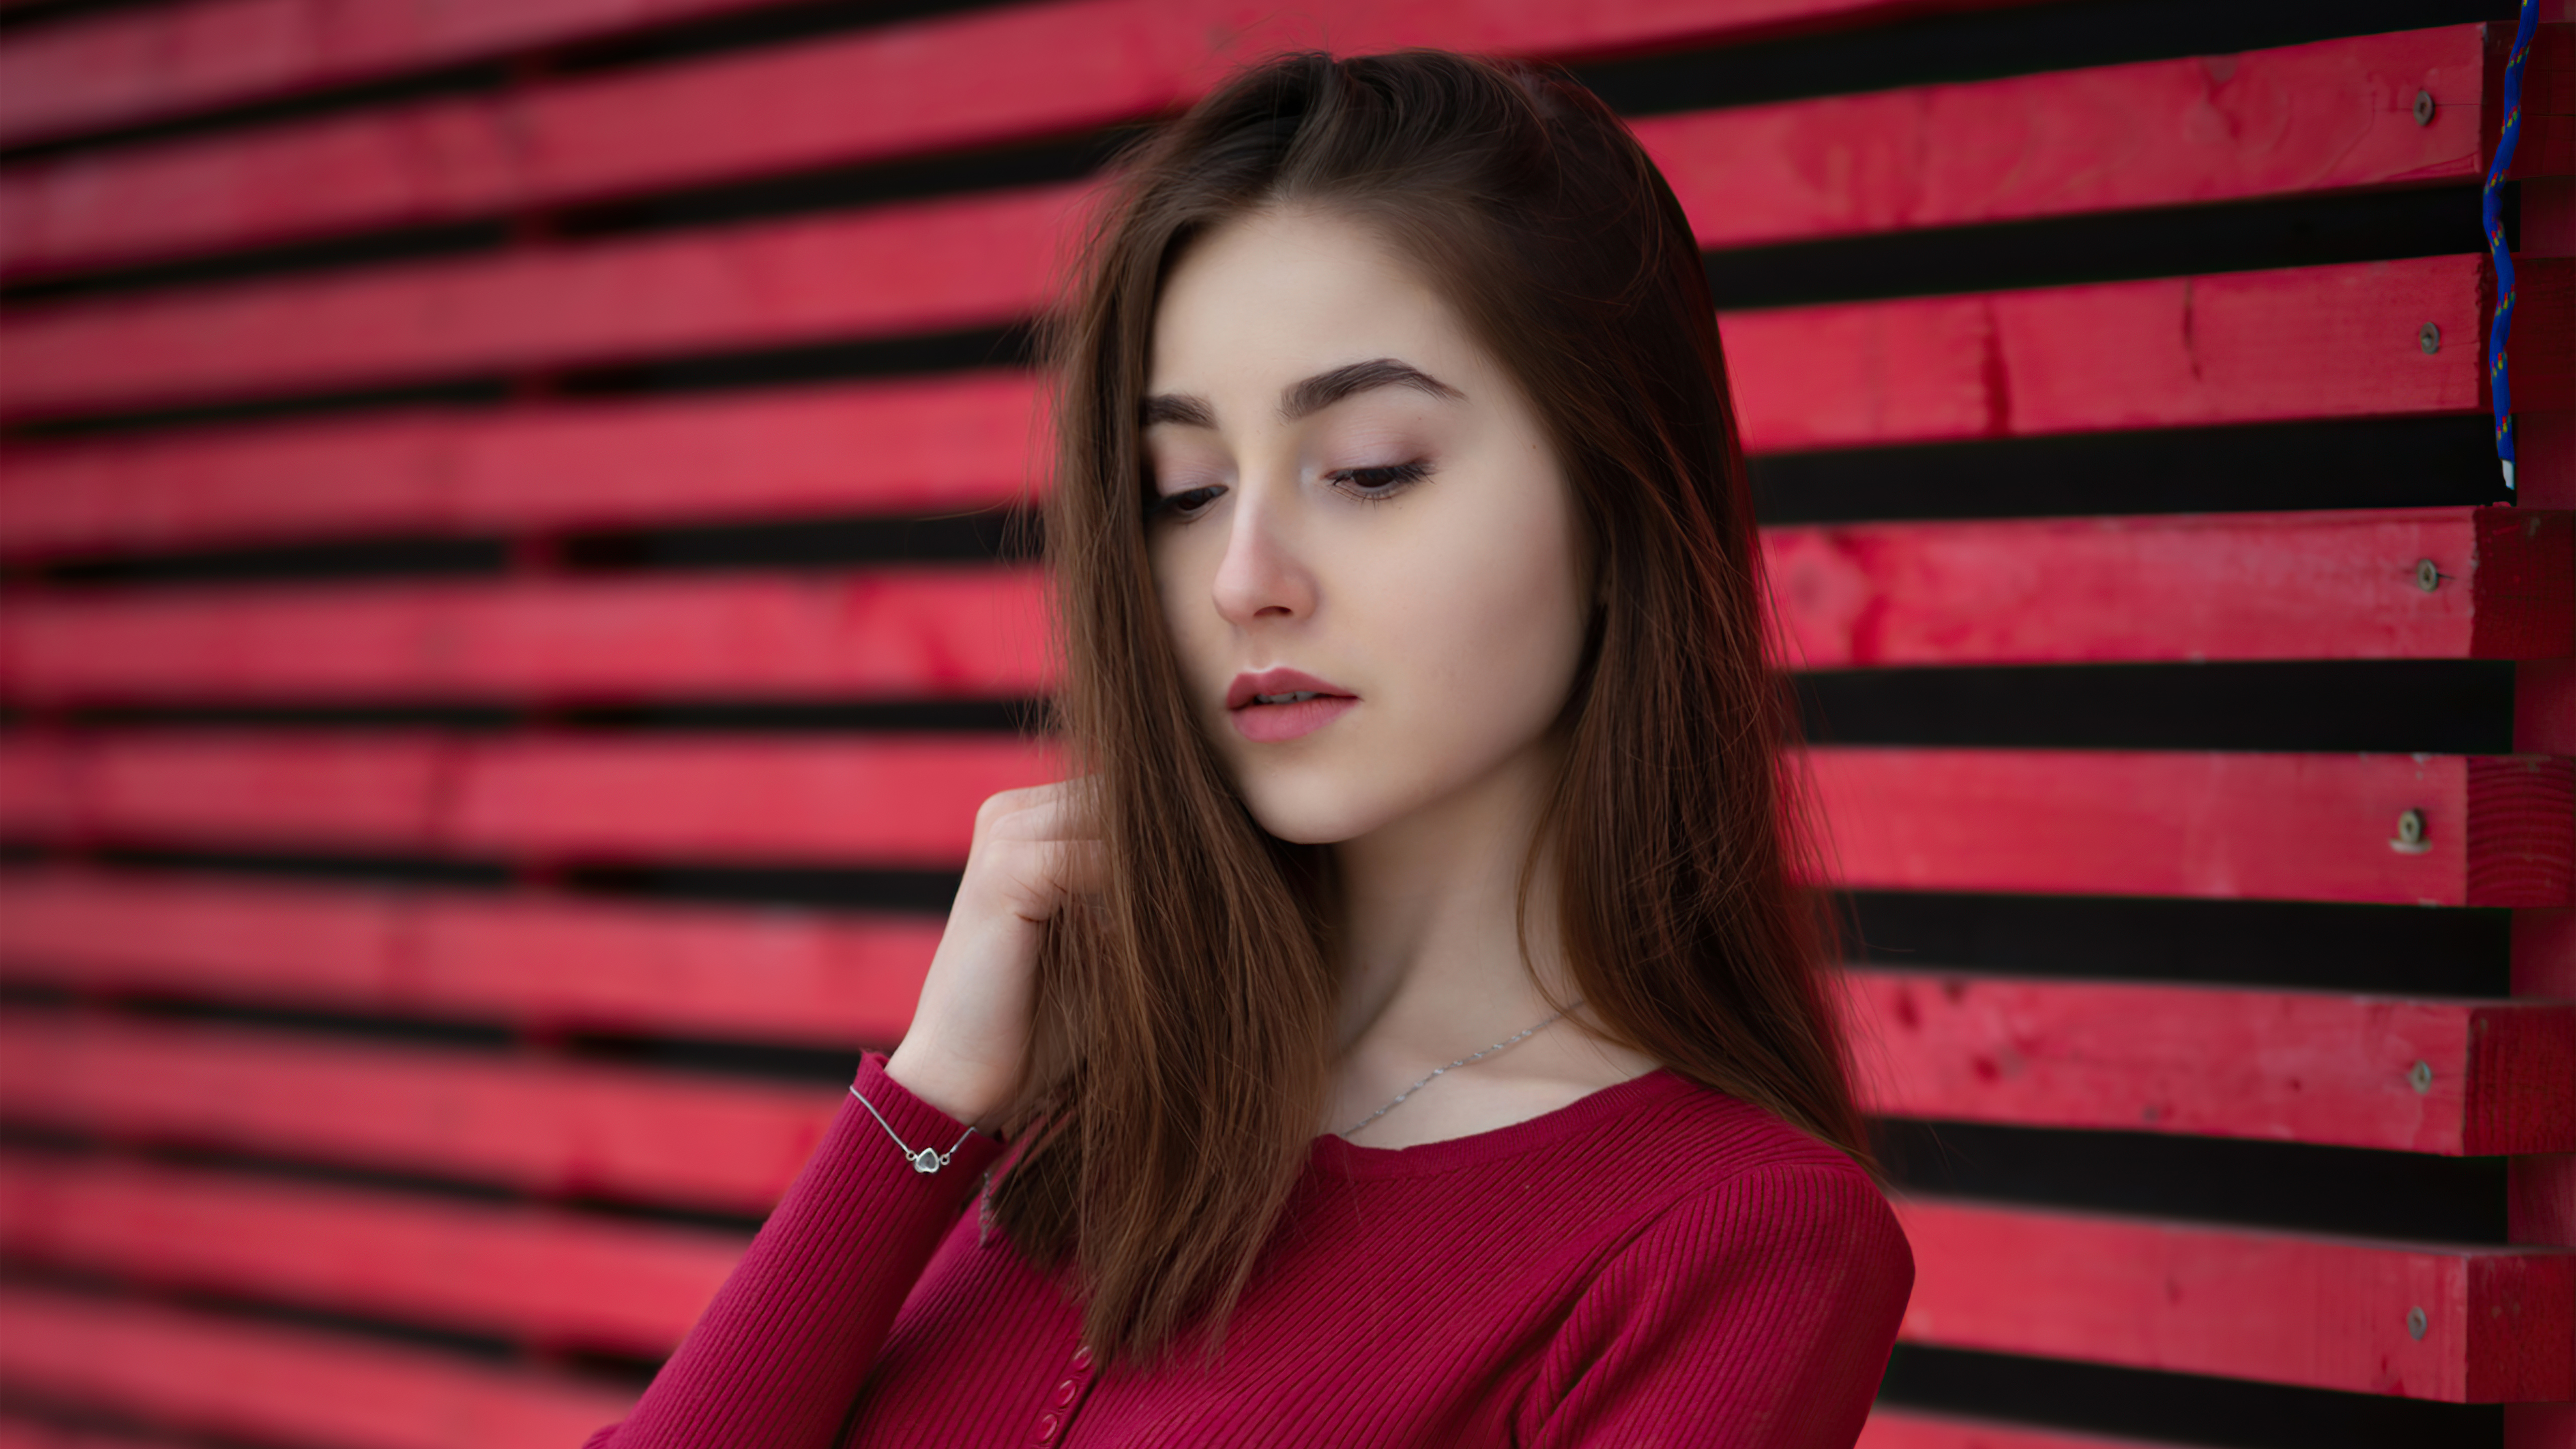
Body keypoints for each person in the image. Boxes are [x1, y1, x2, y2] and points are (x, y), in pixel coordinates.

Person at [589, 48, 1911, 1448]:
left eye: (1369, 469)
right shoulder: (1115, 1116)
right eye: (1184, 489)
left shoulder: (1734, 1246)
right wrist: (927, 1101)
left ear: (1617, 507)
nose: (1243, 577)